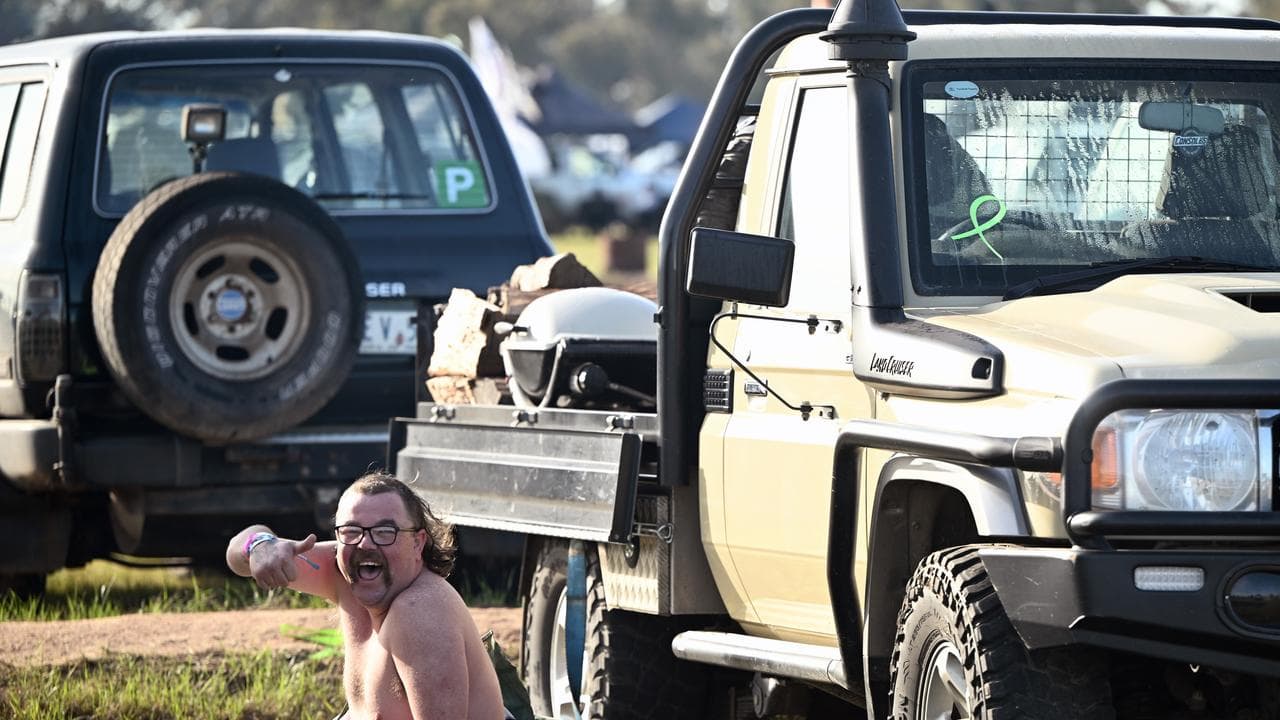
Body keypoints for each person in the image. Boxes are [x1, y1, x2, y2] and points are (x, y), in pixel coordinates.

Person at [226, 471, 505, 720]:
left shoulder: (421, 612)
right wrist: (261, 546)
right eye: (351, 531)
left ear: (418, 543)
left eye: (386, 532)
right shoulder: (344, 571)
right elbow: (236, 554)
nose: (365, 543)